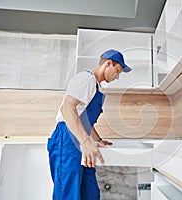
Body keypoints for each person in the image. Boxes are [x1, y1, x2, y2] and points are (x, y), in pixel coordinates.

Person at [47, 49, 132, 200]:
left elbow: (84, 120)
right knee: (68, 193)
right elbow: (67, 107)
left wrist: (97, 140)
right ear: (108, 64)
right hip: (67, 140)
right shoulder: (86, 79)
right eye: (117, 71)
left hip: (81, 141)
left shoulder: (97, 88)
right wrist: (85, 140)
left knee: (90, 192)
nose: (117, 77)